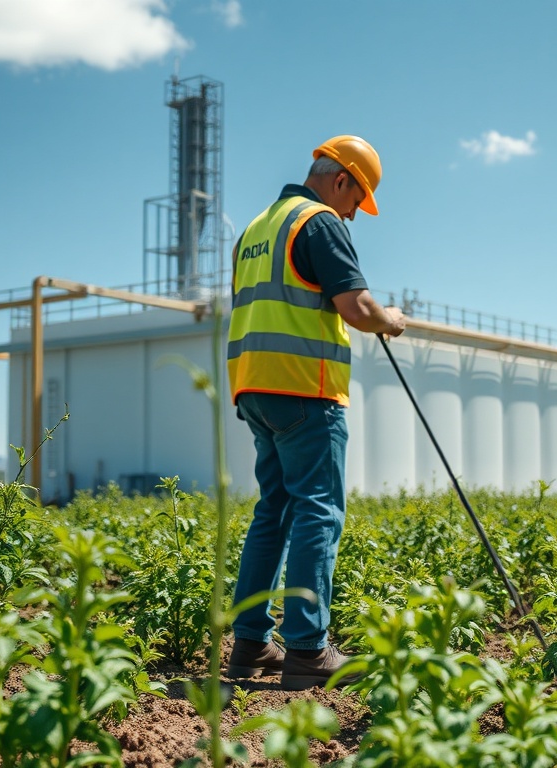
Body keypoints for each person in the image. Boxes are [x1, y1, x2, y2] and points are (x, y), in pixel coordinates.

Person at [224, 135, 406, 689]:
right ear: (341, 179)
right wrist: (391, 320)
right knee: (318, 513)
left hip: (255, 387)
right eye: (358, 199)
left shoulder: (257, 229)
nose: (355, 213)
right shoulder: (319, 221)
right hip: (305, 388)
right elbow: (358, 307)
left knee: (274, 512)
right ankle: (307, 649)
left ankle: (251, 644)